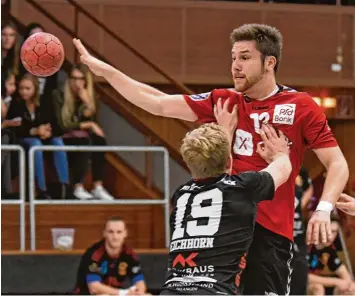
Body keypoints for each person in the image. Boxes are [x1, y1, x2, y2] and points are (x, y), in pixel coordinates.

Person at [72, 23, 349, 294]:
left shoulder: (300, 106)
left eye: (245, 57)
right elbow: (157, 102)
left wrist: (323, 209)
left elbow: (336, 163)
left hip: (270, 233)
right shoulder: (226, 100)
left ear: (269, 63)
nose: (235, 66)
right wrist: (105, 71)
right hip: (224, 232)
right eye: (232, 58)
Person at [161, 100, 292, 294]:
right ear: (230, 160)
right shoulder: (243, 187)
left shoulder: (180, 195)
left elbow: (213, 176)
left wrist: (224, 131)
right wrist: (281, 152)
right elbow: (283, 168)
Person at [53, 64, 114, 200]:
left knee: (99, 140)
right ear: (68, 80)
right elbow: (63, 125)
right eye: (74, 79)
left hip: (81, 135)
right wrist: (86, 124)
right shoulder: (58, 95)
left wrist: (88, 103)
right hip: (63, 136)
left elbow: (93, 121)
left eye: (81, 79)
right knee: (84, 141)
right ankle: (78, 186)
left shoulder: (88, 97)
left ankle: (97, 186)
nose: (77, 83)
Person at [7, 73, 69, 199]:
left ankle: (64, 186)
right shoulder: (16, 104)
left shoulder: (44, 103)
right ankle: (41, 189)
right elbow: (15, 128)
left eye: (27, 88)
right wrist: (34, 131)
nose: (24, 92)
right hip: (23, 139)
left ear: (35, 89)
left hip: (43, 137)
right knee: (36, 145)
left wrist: (48, 131)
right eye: (21, 88)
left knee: (58, 142)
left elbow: (56, 124)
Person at [73, 216, 148, 295]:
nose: (115, 237)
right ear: (104, 233)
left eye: (119, 232)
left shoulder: (129, 255)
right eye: (111, 232)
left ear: (125, 233)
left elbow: (140, 283)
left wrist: (139, 292)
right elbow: (94, 288)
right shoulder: (94, 255)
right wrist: (123, 293)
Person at [307, 218, 355, 295]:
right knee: (317, 288)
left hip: (315, 284)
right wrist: (336, 282)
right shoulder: (305, 245)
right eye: (328, 230)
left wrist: (350, 285)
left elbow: (344, 274)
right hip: (293, 284)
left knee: (349, 290)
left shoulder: (329, 250)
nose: (331, 236)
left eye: (334, 232)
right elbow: (303, 276)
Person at [290, 167, 313, 295]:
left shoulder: (300, 170)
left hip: (298, 233)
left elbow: (309, 187)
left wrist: (300, 204)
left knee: (300, 271)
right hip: (279, 232)